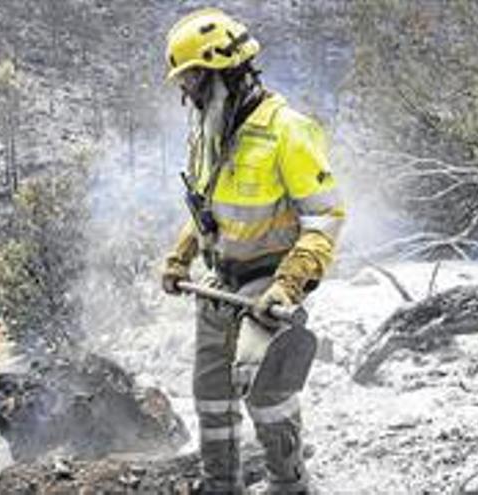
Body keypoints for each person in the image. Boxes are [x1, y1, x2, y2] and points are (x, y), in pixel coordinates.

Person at [160, 8, 345, 494]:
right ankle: (220, 484)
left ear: (225, 72)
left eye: (193, 78)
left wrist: (288, 284)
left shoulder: (289, 130)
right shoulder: (208, 132)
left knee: (266, 390)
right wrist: (180, 256)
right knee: (211, 396)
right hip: (221, 281)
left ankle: (289, 484)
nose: (186, 91)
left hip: (270, 279)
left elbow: (325, 220)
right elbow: (207, 208)